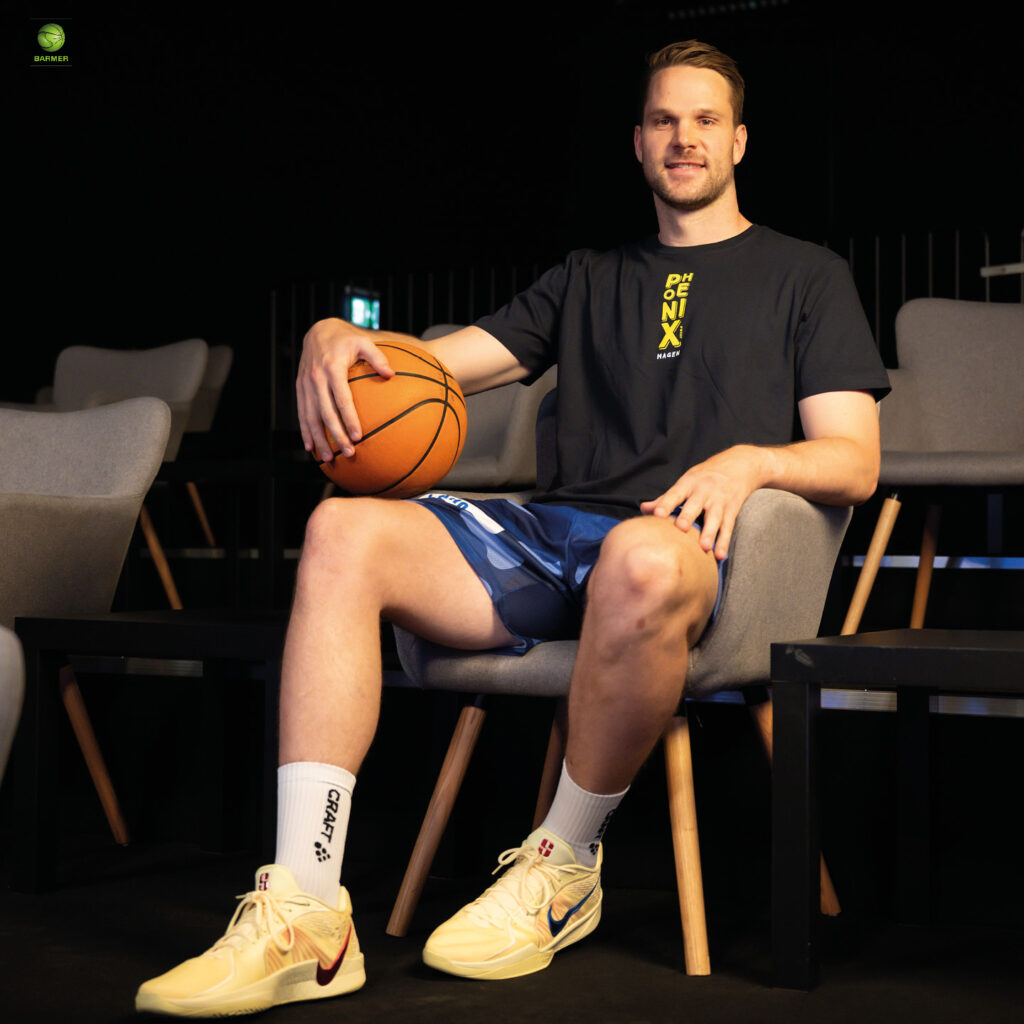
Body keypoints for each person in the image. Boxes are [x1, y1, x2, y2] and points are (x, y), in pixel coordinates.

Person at [136, 39, 889, 1016]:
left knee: (637, 555)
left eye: (705, 119)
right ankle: (308, 911)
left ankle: (563, 864)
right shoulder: (585, 275)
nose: (683, 137)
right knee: (342, 533)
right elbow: (427, 367)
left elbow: (853, 460)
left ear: (739, 139)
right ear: (637, 141)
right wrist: (335, 335)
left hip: (690, 555)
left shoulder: (807, 274)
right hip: (552, 539)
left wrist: (750, 460)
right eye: (664, 118)